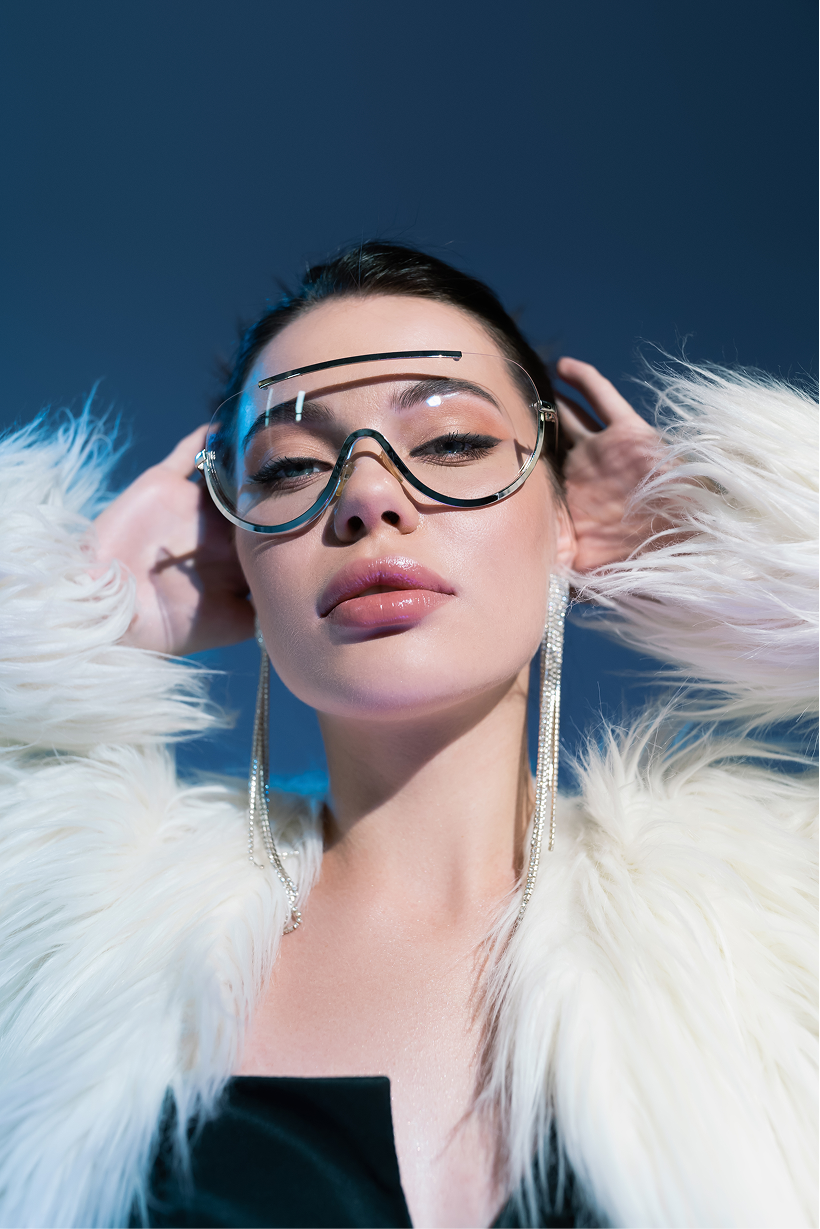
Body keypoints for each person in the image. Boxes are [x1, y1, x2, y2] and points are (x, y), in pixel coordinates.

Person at [0, 243, 816, 1229]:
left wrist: (751, 554)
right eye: (290, 467)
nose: (366, 496)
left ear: (565, 518)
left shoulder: (776, 914)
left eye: (451, 443)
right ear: (238, 554)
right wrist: (70, 615)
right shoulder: (68, 931)